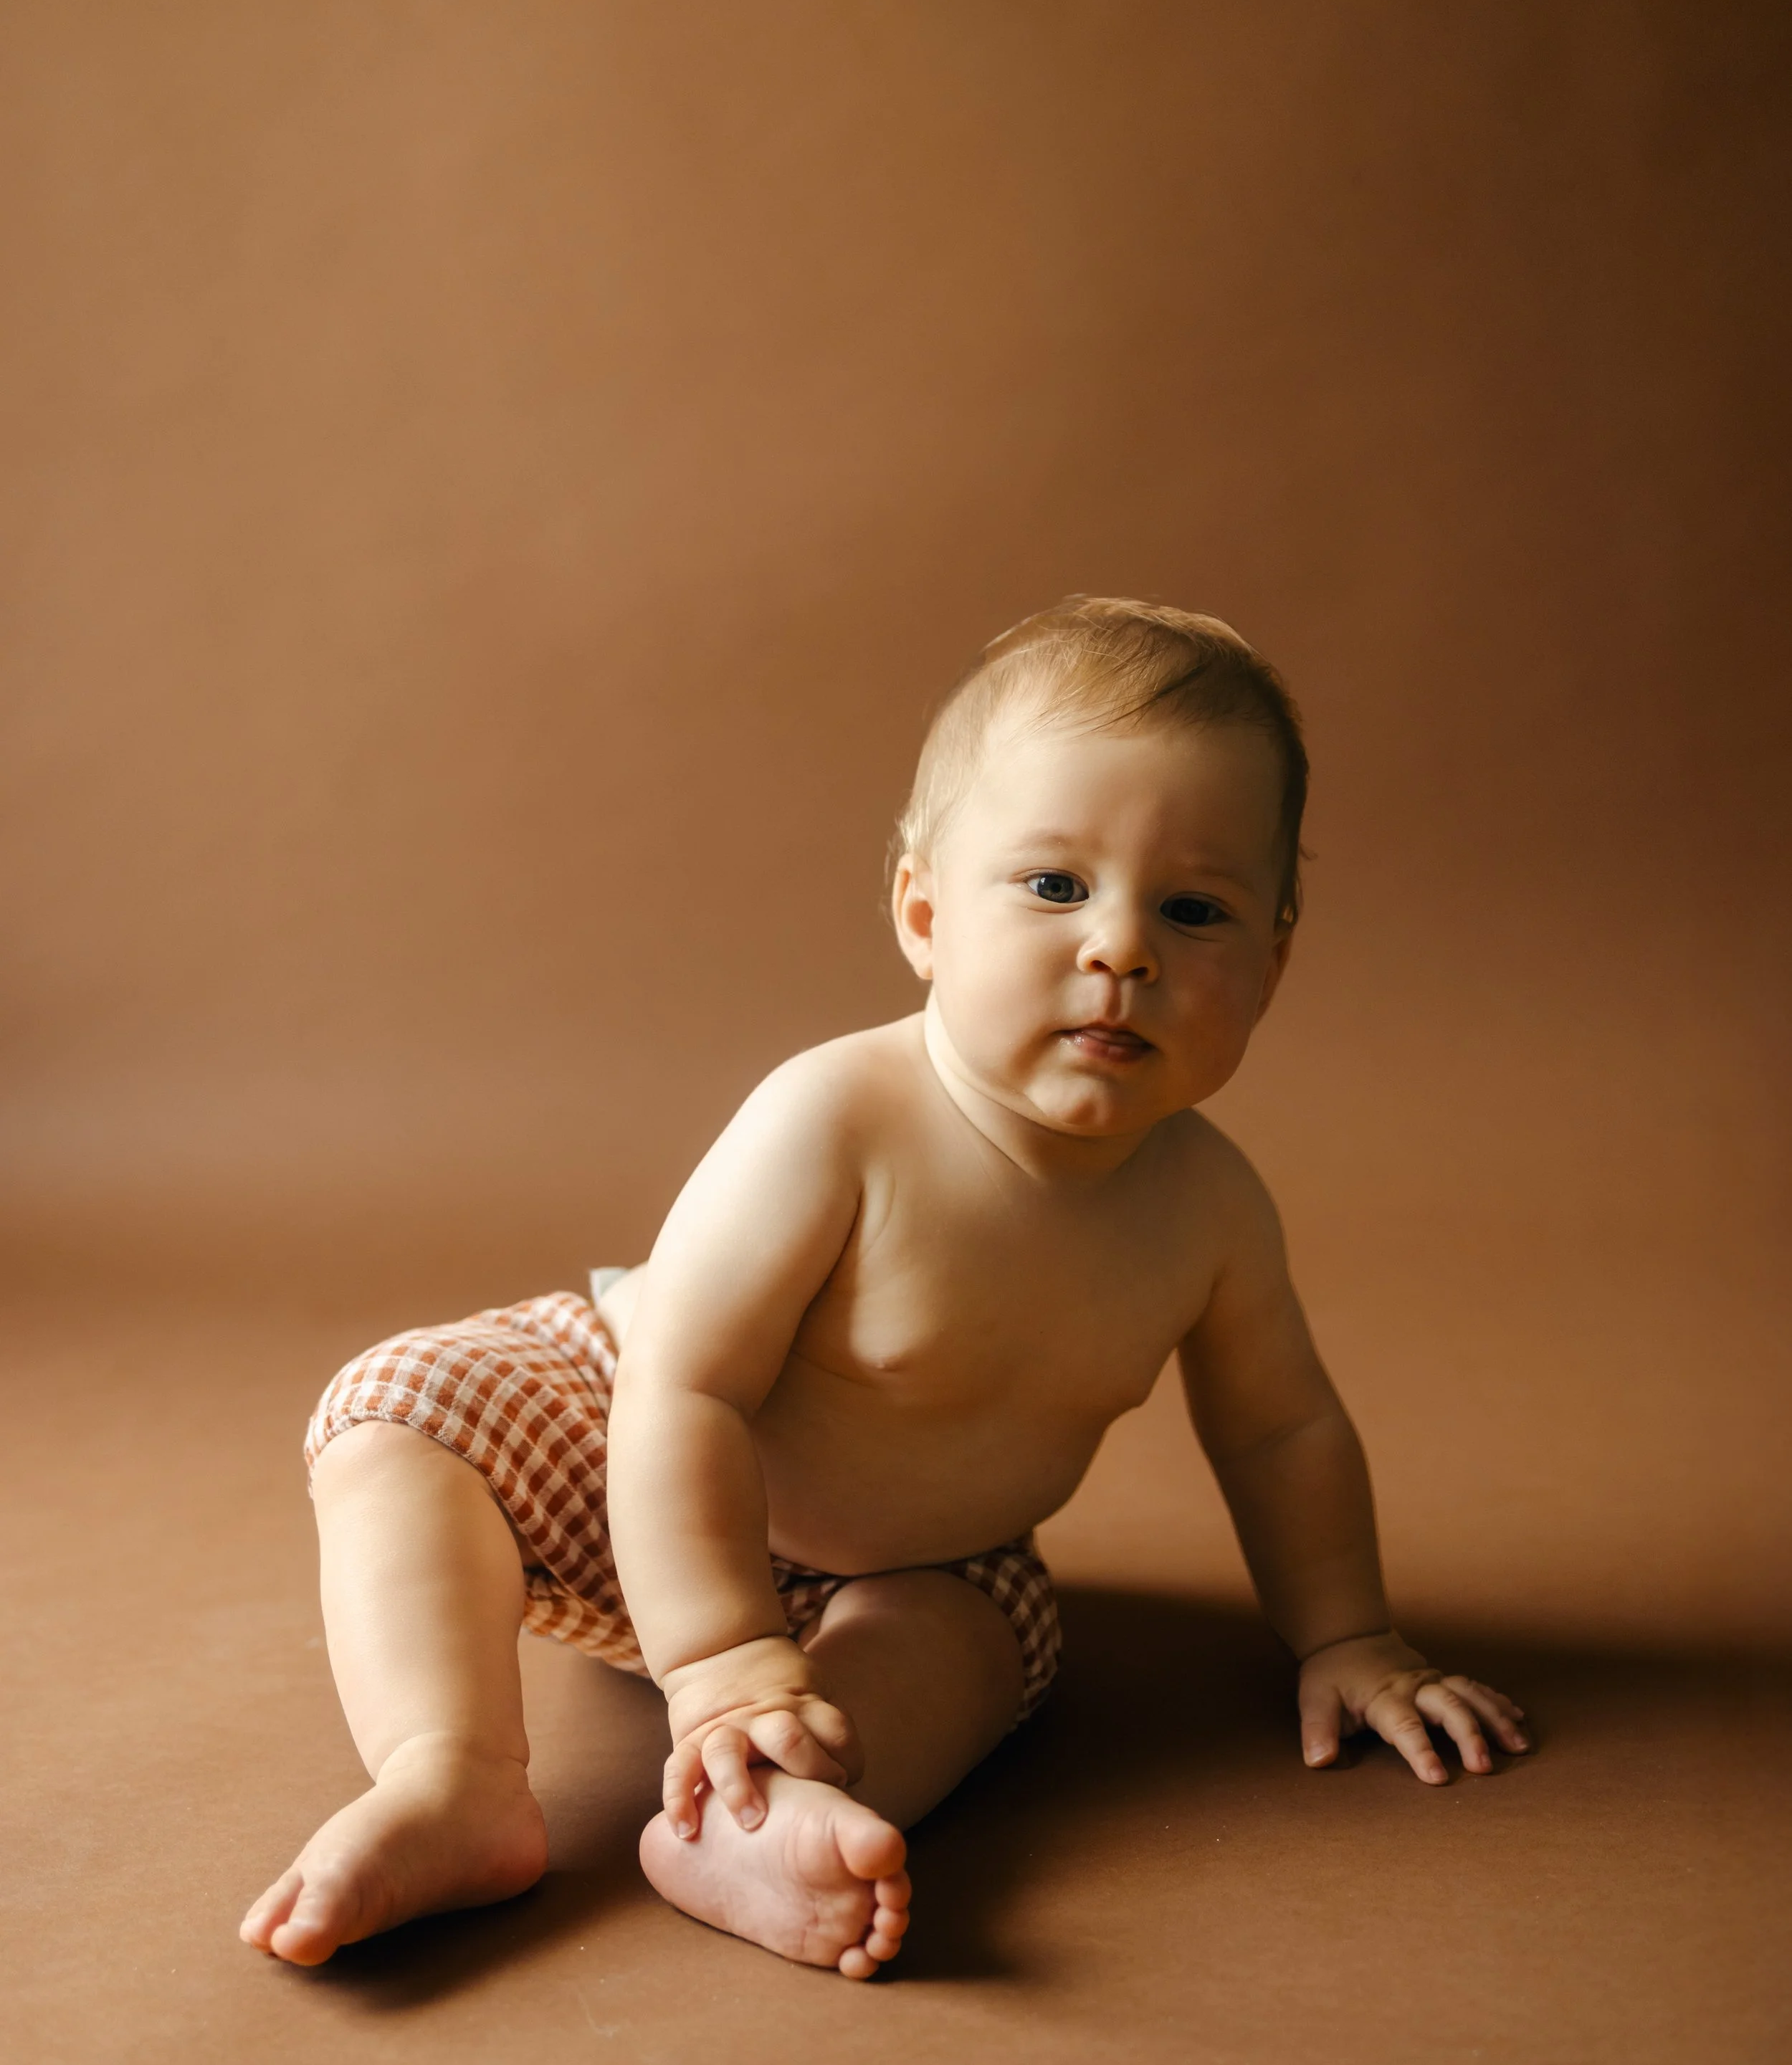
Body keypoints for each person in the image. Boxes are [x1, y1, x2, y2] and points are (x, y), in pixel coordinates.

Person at [242, 598, 1526, 1980]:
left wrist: (1350, 1633)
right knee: (404, 1410)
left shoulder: (1211, 1209)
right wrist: (723, 1650)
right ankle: (455, 1776)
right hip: (632, 1452)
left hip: (914, 1565)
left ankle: (768, 1819)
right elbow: (686, 1381)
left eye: (1195, 909)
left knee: (977, 1648)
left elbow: (1282, 1430)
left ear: (1272, 966)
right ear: (923, 913)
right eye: (1053, 886)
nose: (1122, 949)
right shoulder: (837, 1118)